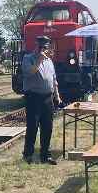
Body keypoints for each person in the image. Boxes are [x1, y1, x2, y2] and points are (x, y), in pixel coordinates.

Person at [20, 35, 60, 164]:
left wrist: (57, 95)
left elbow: (53, 79)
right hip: (33, 97)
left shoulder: (49, 61)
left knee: (47, 127)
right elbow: (29, 73)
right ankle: (28, 155)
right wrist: (39, 60)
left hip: (47, 98)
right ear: (36, 46)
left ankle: (45, 155)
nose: (43, 50)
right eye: (41, 47)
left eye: (45, 48)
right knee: (32, 127)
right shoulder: (28, 58)